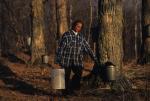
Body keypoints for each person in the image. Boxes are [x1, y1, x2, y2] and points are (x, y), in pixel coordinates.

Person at [55, 20, 99, 95]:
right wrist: (58, 59)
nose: (78, 28)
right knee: (66, 77)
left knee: (79, 73)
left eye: (80, 27)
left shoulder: (81, 37)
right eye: (77, 26)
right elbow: (61, 47)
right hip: (66, 60)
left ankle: (72, 88)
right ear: (74, 25)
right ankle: (65, 93)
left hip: (77, 61)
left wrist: (94, 58)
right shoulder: (67, 35)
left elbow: (88, 48)